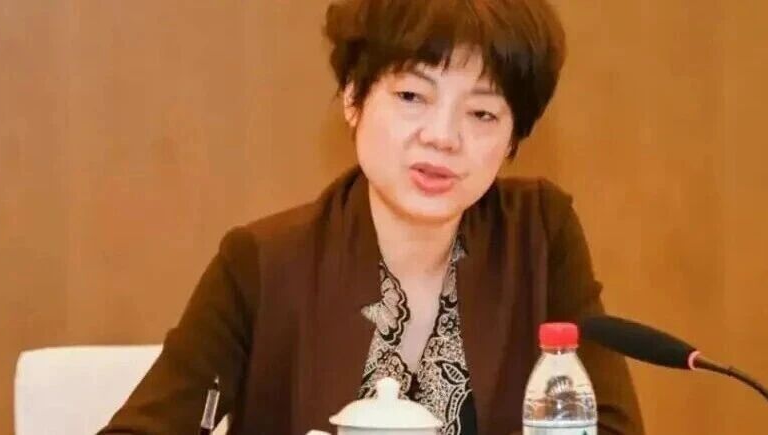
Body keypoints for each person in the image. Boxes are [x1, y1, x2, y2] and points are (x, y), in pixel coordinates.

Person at [100, 0, 644, 433]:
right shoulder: (263, 264)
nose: (442, 137)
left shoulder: (540, 235)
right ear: (353, 98)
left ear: (512, 140)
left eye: (482, 112)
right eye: (412, 95)